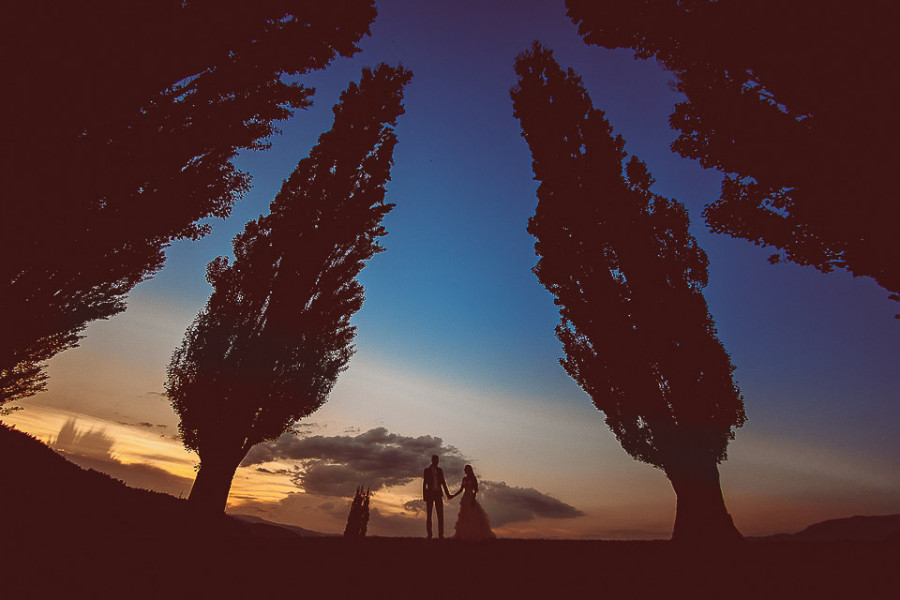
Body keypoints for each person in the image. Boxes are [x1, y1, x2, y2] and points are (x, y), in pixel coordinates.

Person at [448, 464, 495, 541]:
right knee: (464, 517)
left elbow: (475, 490)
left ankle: (473, 534)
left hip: (470, 497)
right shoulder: (464, 479)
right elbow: (461, 489)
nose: (464, 470)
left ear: (468, 470)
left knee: (472, 516)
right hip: (465, 498)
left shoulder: (473, 478)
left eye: (465, 469)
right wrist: (453, 495)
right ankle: (464, 535)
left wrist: (473, 499)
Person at [422, 454, 452, 539]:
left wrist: (448, 494)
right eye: (435, 460)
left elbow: (443, 483)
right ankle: (429, 534)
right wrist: (425, 496)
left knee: (440, 515)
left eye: (438, 460)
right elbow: (425, 484)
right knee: (429, 515)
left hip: (438, 494)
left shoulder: (440, 470)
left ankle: (440, 534)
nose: (437, 462)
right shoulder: (427, 471)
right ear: (432, 460)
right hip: (430, 494)